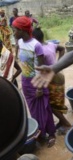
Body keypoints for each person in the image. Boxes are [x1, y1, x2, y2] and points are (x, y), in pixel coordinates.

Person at [12, 16, 56, 147]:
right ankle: (41, 134)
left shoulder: (36, 46)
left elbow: (42, 70)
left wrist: (40, 88)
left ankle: (51, 133)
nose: (13, 32)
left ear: (22, 30)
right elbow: (23, 63)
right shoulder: (19, 42)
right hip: (25, 81)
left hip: (37, 82)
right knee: (33, 110)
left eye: (15, 30)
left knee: (44, 108)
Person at [32, 27, 71, 134]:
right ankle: (62, 122)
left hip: (51, 78)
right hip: (58, 75)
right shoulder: (50, 44)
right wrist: (58, 65)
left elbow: (39, 69)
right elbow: (62, 49)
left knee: (50, 104)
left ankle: (66, 123)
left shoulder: (40, 50)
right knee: (56, 101)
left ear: (34, 38)